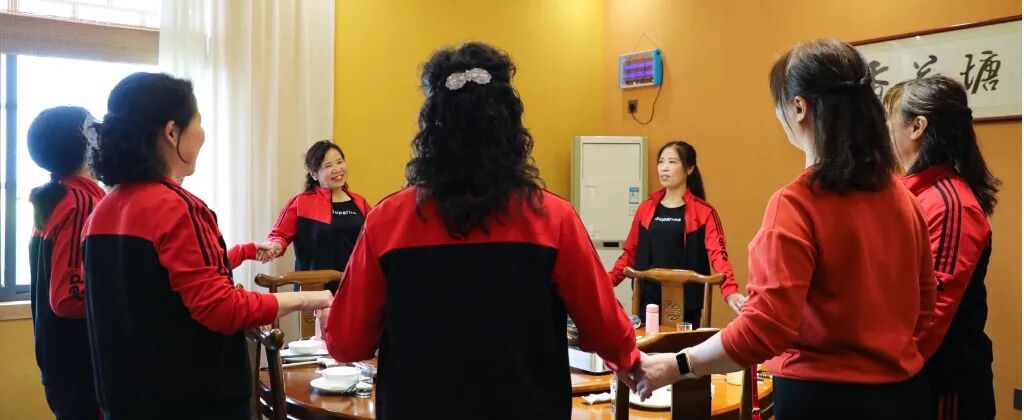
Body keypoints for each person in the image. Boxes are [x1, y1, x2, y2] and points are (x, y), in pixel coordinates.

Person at [324, 42, 639, 419]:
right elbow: (609, 334)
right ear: (510, 127)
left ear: (432, 130)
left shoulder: (386, 221)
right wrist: (630, 360)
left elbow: (346, 343)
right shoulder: (554, 219)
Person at [633, 39, 935, 420]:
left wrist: (676, 364)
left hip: (823, 401)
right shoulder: (905, 199)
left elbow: (763, 330)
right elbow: (925, 310)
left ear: (798, 107)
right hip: (905, 396)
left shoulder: (796, 204)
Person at [82, 72, 332, 419]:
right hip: (192, 400)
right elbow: (221, 308)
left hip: (125, 398)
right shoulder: (176, 207)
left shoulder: (103, 210)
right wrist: (311, 298)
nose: (202, 133)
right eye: (198, 121)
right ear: (172, 132)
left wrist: (244, 253)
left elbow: (161, 286)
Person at [885, 75, 999, 420]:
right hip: (910, 376)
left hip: (944, 384)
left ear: (917, 126)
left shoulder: (951, 205)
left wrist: (882, 373)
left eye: (888, 119)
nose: (882, 129)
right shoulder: (904, 191)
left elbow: (931, 313)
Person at [609, 140, 746, 324]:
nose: (664, 168)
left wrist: (730, 292)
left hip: (687, 306)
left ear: (689, 169)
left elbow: (719, 255)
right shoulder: (645, 209)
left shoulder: (704, 212)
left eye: (672, 162)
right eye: (661, 162)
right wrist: (605, 283)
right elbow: (629, 254)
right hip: (647, 302)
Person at [27, 106, 105, 420]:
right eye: (92, 127)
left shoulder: (60, 197)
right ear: (84, 142)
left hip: (60, 361)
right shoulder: (80, 202)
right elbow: (68, 298)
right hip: (80, 364)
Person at [260, 140, 371, 292]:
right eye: (328, 166)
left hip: (353, 288)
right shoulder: (300, 203)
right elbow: (278, 235)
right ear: (313, 174)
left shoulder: (360, 202)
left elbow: (376, 237)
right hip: (312, 292)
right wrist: (274, 246)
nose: (337, 169)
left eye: (340, 162)